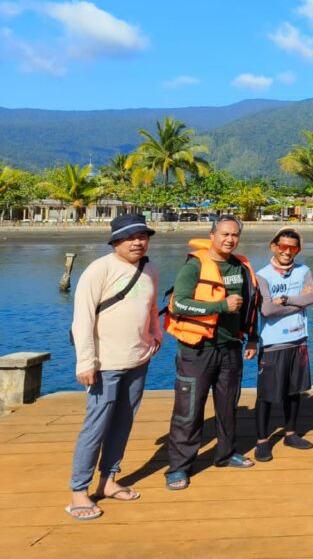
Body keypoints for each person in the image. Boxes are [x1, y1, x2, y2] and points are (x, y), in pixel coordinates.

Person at [65, 214, 161, 521]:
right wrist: (85, 361)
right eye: (130, 237)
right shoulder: (99, 269)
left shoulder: (150, 269)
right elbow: (82, 319)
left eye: (142, 236)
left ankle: (108, 479)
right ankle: (79, 490)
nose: (137, 242)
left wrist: (156, 334)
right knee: (96, 426)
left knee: (123, 422)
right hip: (104, 364)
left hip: (138, 360)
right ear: (115, 242)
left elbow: (150, 308)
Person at [164, 216, 260, 490]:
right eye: (224, 234)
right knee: (189, 410)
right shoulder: (194, 266)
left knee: (228, 406)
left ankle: (226, 453)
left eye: (235, 235)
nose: (229, 239)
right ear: (212, 234)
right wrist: (219, 307)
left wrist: (252, 338)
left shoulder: (240, 267)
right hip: (197, 350)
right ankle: (179, 467)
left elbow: (251, 306)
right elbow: (179, 304)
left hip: (230, 348)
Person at [253, 228, 313, 462]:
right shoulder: (263, 275)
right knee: (267, 395)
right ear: (273, 246)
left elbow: (312, 298)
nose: (287, 252)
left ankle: (291, 433)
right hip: (273, 343)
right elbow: (267, 309)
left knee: (294, 391)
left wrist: (288, 300)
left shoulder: (304, 271)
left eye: (293, 248)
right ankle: (262, 441)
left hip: (299, 338)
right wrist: (297, 303)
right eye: (283, 247)